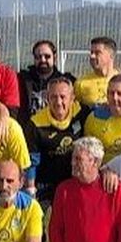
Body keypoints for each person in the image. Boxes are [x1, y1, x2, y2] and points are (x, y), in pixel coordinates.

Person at [25, 74, 88, 203]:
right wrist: (30, 190)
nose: (58, 102)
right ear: (47, 99)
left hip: (76, 181)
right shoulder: (36, 123)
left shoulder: (82, 113)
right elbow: (32, 161)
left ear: (72, 99)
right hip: (47, 185)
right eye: (53, 97)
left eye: (63, 97)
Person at [18, 39, 73, 125]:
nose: (43, 60)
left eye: (47, 56)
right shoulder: (22, 80)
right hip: (31, 130)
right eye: (38, 57)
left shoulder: (65, 81)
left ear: (55, 57)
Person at [76, 36, 121, 108]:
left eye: (97, 53)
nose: (92, 56)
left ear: (111, 56)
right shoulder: (80, 83)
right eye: (91, 52)